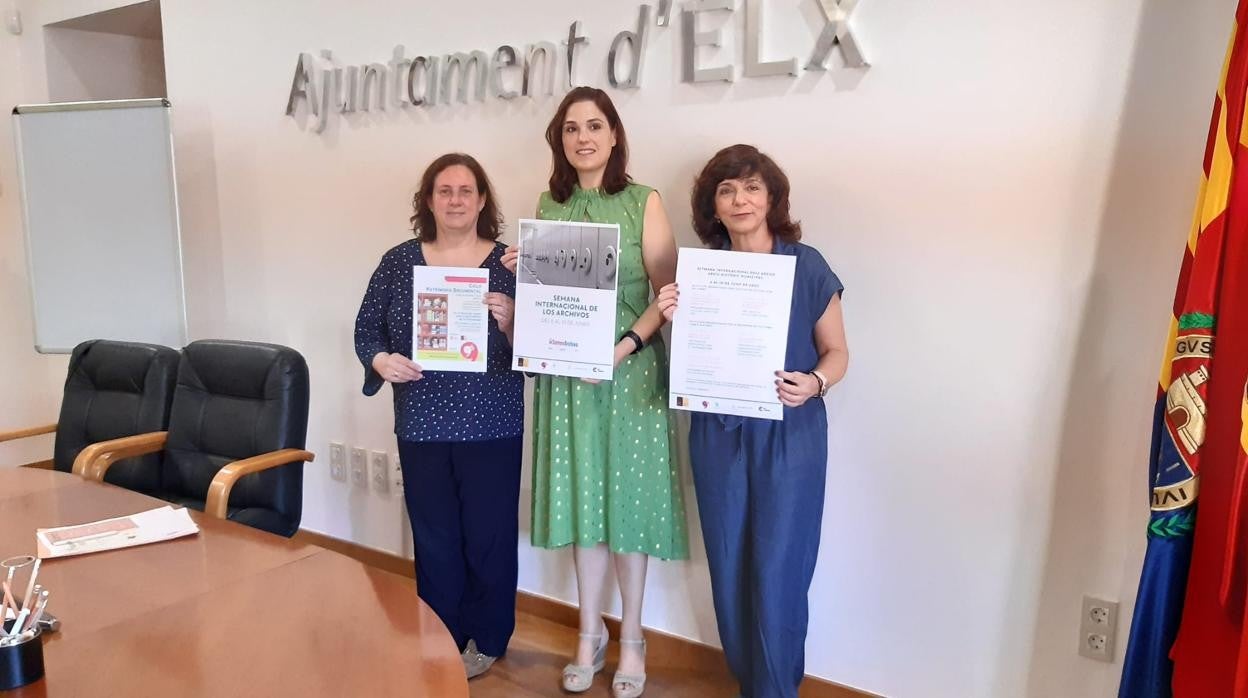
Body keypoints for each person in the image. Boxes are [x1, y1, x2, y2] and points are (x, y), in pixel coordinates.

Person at [502, 86, 687, 698]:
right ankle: (589, 633)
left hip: (629, 373)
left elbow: (668, 299)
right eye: (572, 127)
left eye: (595, 126)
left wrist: (621, 349)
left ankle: (632, 635)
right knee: (585, 507)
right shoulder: (547, 208)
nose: (583, 137)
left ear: (614, 136)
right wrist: (519, 276)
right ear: (560, 139)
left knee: (627, 507)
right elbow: (549, 302)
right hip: (567, 383)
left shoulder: (644, 202)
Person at [657, 144, 849, 698]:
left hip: (791, 437)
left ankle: (774, 690)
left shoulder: (805, 265)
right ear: (712, 206)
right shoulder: (700, 271)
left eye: (751, 187)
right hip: (717, 435)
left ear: (771, 198)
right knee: (730, 567)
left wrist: (813, 383)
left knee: (779, 572)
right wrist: (672, 315)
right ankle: (753, 684)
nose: (739, 199)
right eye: (726, 189)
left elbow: (836, 352)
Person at [353, 153, 524, 680]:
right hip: (423, 420)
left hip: (492, 421)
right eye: (444, 191)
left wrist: (514, 318)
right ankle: (441, 633)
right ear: (429, 200)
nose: (455, 200)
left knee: (489, 534)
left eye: (466, 191)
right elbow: (367, 332)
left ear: (481, 201)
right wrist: (382, 361)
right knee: (433, 535)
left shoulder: (511, 265)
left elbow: (537, 352)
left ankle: (489, 637)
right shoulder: (399, 262)